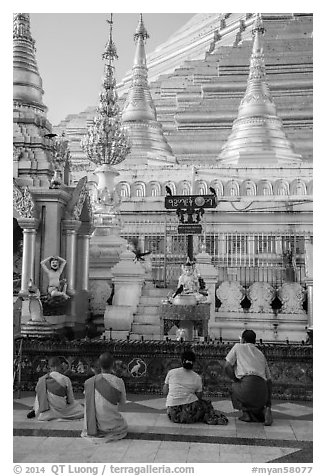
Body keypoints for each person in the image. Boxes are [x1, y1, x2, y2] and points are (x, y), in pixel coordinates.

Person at [163, 350, 228, 425]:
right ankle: (209, 418)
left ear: (181, 361)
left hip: (172, 414)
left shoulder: (171, 372)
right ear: (193, 362)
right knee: (206, 404)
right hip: (189, 413)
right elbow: (199, 397)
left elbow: (165, 391)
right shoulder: (197, 377)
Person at [224, 329, 273, 425]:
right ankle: (263, 411)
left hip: (246, 387)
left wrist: (234, 379)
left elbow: (227, 366)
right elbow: (269, 381)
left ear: (243, 340)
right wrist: (268, 403)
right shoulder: (261, 354)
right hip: (262, 391)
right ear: (255, 341)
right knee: (253, 393)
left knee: (234, 385)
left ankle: (246, 414)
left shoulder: (238, 347)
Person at [81, 352, 128, 441]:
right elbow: (122, 403)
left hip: (92, 426)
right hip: (113, 425)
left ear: (99, 365)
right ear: (113, 365)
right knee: (123, 424)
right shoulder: (118, 381)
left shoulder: (90, 382)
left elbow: (87, 400)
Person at [28, 356, 84, 421]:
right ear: (60, 365)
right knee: (80, 407)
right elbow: (70, 400)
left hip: (44, 413)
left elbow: (38, 397)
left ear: (49, 367)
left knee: (40, 393)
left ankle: (35, 410)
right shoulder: (65, 379)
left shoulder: (42, 379)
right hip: (61, 410)